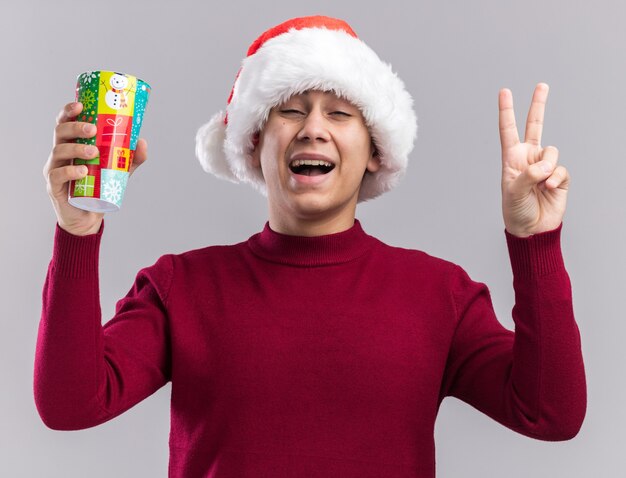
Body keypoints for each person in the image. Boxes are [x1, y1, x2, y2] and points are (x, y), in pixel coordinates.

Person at [36, 15, 586, 478]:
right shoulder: (182, 287)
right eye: (291, 110)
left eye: (340, 113)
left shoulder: (439, 294)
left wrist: (534, 242)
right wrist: (78, 234)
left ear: (375, 151)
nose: (314, 129)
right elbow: (69, 405)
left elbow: (550, 413)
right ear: (253, 144)